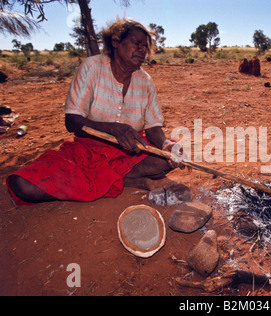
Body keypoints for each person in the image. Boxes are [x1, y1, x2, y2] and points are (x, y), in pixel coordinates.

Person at [7, 18, 186, 205]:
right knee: (22, 185)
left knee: (167, 160)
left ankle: (110, 180)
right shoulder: (93, 67)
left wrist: (166, 144)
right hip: (88, 152)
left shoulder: (145, 81)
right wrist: (112, 129)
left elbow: (153, 127)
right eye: (137, 43)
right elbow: (72, 121)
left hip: (130, 153)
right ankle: (121, 180)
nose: (142, 49)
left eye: (145, 46)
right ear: (116, 42)